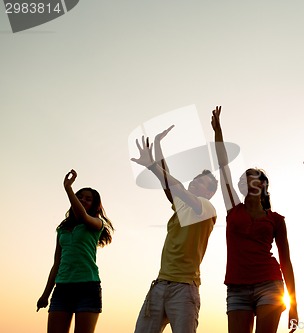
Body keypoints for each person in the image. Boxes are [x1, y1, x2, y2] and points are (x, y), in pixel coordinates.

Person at [211, 106, 298, 333]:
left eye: (260, 179)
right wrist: (218, 133)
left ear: (265, 186)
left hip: (270, 284)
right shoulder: (233, 209)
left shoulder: (276, 220)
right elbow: (223, 168)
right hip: (237, 288)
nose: (256, 181)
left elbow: (286, 261)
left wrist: (293, 305)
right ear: (243, 185)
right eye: (251, 177)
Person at [131, 126, 218, 333]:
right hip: (160, 285)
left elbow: (175, 185)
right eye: (194, 181)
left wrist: (152, 165)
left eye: (201, 183)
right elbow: (167, 179)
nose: (195, 184)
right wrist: (158, 146)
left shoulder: (207, 208)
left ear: (210, 192)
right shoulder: (182, 206)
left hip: (185, 289)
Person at [37, 169, 114, 333]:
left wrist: (68, 188)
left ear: (94, 205)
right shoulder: (62, 229)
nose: (83, 200)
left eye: (88, 199)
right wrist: (45, 295)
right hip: (62, 289)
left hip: (88, 287)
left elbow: (83, 216)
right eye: (80, 197)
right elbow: (56, 263)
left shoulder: (95, 224)